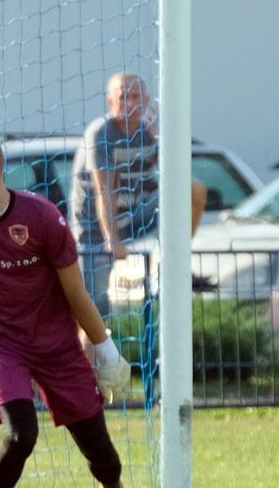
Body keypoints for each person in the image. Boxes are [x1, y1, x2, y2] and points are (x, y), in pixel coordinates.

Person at [0, 129, 150, 488]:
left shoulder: (41, 217)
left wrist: (104, 349)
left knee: (98, 446)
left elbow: (76, 291)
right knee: (22, 434)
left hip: (55, 343)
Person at [70, 72, 210, 315]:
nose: (130, 104)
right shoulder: (101, 133)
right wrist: (112, 241)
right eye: (123, 97)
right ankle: (91, 349)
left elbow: (173, 176)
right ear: (110, 102)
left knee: (193, 190)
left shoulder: (147, 131)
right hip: (96, 228)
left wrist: (162, 138)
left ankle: (177, 261)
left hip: (135, 215)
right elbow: (105, 192)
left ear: (145, 100)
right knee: (96, 313)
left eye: (135, 97)